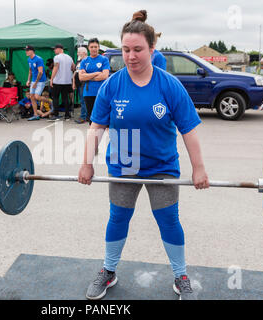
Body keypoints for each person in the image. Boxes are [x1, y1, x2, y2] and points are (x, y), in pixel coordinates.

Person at [78, 9, 209, 301]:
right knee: (118, 218)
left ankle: (180, 275)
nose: (131, 56)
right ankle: (108, 271)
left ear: (152, 49)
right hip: (124, 165)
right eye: (125, 49)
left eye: (138, 49)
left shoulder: (169, 85)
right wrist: (87, 163)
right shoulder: (112, 84)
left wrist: (198, 168)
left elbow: (189, 130)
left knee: (169, 221)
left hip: (162, 166)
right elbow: (96, 127)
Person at [79, 38, 110, 124]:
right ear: (88, 48)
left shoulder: (104, 59)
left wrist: (87, 76)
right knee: (91, 118)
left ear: (98, 47)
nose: (94, 49)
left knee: (103, 117)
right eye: (92, 47)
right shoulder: (84, 61)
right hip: (88, 93)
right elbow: (81, 77)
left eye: (95, 47)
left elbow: (104, 75)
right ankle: (93, 137)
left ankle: (104, 136)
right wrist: (96, 73)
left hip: (102, 92)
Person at [50, 44, 76, 121]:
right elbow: (73, 67)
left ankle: (56, 114)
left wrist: (51, 79)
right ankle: (67, 115)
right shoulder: (69, 57)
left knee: (55, 98)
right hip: (67, 81)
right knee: (65, 98)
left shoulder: (57, 57)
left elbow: (55, 68)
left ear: (59, 49)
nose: (54, 50)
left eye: (55, 49)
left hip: (58, 81)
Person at [25, 45, 51, 121]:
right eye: (26, 50)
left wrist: (36, 83)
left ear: (32, 51)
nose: (26, 52)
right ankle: (35, 115)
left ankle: (51, 102)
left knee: (36, 96)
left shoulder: (39, 59)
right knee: (32, 97)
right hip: (33, 80)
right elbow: (30, 71)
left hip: (41, 80)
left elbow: (40, 72)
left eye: (27, 50)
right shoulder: (29, 59)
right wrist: (28, 80)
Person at [74, 46, 89, 124]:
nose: (77, 53)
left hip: (84, 83)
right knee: (83, 101)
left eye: (78, 52)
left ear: (83, 52)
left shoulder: (87, 61)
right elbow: (76, 72)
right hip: (79, 84)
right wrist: (74, 82)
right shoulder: (79, 61)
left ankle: (83, 117)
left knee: (83, 101)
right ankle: (85, 116)